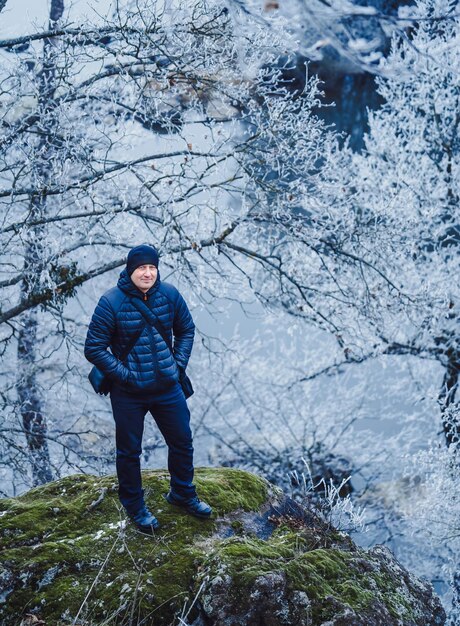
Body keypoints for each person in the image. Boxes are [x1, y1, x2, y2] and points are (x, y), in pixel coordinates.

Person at [84, 244, 211, 533]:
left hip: (167, 387)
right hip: (129, 392)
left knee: (182, 441)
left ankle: (182, 493)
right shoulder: (111, 302)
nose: (147, 273)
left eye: (152, 267)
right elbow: (93, 347)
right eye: (141, 268)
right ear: (130, 270)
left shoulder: (169, 294)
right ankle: (134, 505)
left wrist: (177, 365)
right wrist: (124, 376)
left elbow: (187, 329)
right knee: (129, 452)